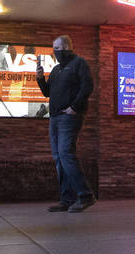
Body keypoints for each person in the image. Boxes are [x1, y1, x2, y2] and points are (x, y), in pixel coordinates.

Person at [36, 34, 95, 212]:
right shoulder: (55, 70)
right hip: (54, 117)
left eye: (59, 49)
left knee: (66, 154)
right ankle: (67, 199)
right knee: (58, 158)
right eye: (54, 49)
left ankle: (85, 195)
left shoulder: (79, 63)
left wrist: (75, 107)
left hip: (69, 116)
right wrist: (40, 78)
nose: (56, 52)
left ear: (68, 47)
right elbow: (47, 93)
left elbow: (87, 86)